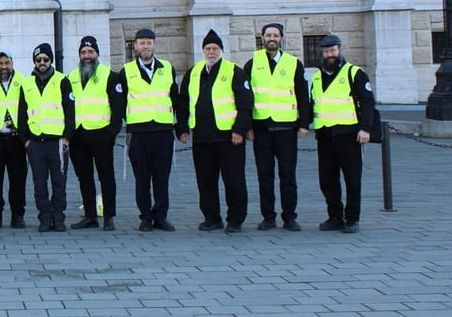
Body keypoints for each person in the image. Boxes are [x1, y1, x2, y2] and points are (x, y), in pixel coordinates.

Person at [179, 30, 254, 234]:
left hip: (229, 137)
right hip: (202, 138)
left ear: (221, 50)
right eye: (208, 48)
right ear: (202, 51)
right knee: (205, 181)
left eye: (215, 48)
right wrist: (182, 128)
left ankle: (235, 220)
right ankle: (211, 218)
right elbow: (184, 102)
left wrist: (240, 130)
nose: (211, 52)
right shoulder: (194, 73)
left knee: (234, 180)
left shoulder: (234, 72)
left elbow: (246, 104)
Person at [244, 23, 311, 231]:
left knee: (288, 175)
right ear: (262, 38)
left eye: (275, 35)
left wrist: (304, 124)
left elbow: (302, 95)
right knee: (264, 176)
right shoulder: (251, 63)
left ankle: (289, 217)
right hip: (261, 129)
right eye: (267, 35)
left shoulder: (293, 63)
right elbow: (245, 98)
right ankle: (268, 217)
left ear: (281, 38)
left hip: (286, 129)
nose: (271, 38)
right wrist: (247, 126)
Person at [113, 28, 180, 232]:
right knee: (142, 178)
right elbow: (119, 101)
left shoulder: (167, 68)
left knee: (162, 177)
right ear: (136, 46)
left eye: (149, 42)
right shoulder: (126, 71)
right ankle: (145, 217)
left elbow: (175, 98)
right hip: (138, 133)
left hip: (163, 131)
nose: (145, 46)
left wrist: (180, 126)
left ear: (154, 45)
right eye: (141, 43)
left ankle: (161, 216)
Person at [311, 34, 376, 234]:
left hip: (349, 134)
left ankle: (352, 218)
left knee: (352, 178)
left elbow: (367, 102)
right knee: (327, 180)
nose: (330, 55)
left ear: (339, 50)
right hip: (324, 135)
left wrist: (365, 129)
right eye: (326, 51)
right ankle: (335, 217)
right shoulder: (316, 76)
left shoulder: (354, 73)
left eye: (333, 50)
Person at [16, 43, 75, 232]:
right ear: (34, 61)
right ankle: (44, 217)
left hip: (57, 142)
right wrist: (25, 141)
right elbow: (21, 114)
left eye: (46, 59)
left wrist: (67, 138)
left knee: (59, 182)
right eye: (38, 59)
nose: (42, 63)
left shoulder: (62, 80)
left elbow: (70, 110)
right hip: (35, 143)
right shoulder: (26, 83)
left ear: (51, 61)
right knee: (39, 183)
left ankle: (58, 218)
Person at [67, 35, 121, 231]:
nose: (87, 56)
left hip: (101, 134)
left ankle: (109, 216)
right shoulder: (71, 77)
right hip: (79, 135)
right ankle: (90, 215)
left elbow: (118, 107)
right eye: (83, 52)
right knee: (84, 177)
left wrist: (111, 133)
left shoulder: (110, 75)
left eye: (90, 52)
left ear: (97, 54)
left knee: (106, 176)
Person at [0, 49, 28, 229]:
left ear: (12, 63)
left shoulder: (23, 81)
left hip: (16, 138)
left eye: (6, 63)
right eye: (0, 63)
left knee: (18, 179)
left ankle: (18, 215)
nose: (4, 67)